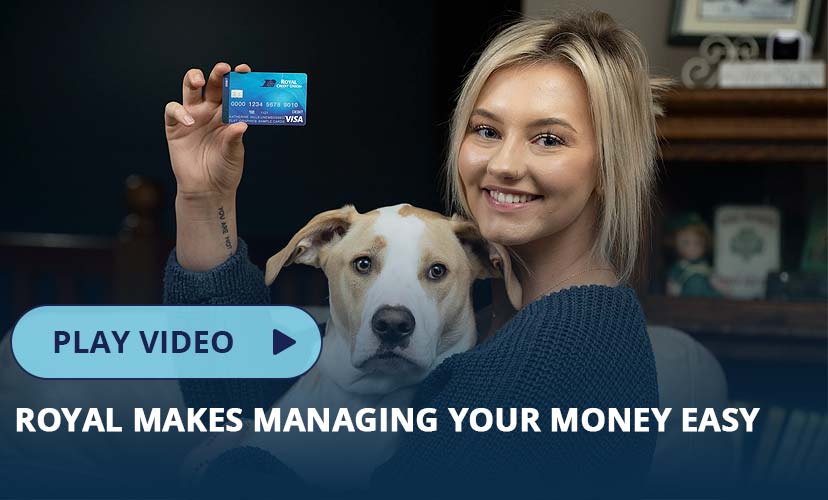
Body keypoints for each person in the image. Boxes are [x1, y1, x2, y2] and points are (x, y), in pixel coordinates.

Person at [162, 9, 669, 497]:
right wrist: (204, 198)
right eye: (487, 130)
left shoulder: (557, 352)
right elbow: (239, 407)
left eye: (549, 139)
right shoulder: (522, 321)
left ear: (610, 165)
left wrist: (215, 465)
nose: (505, 164)